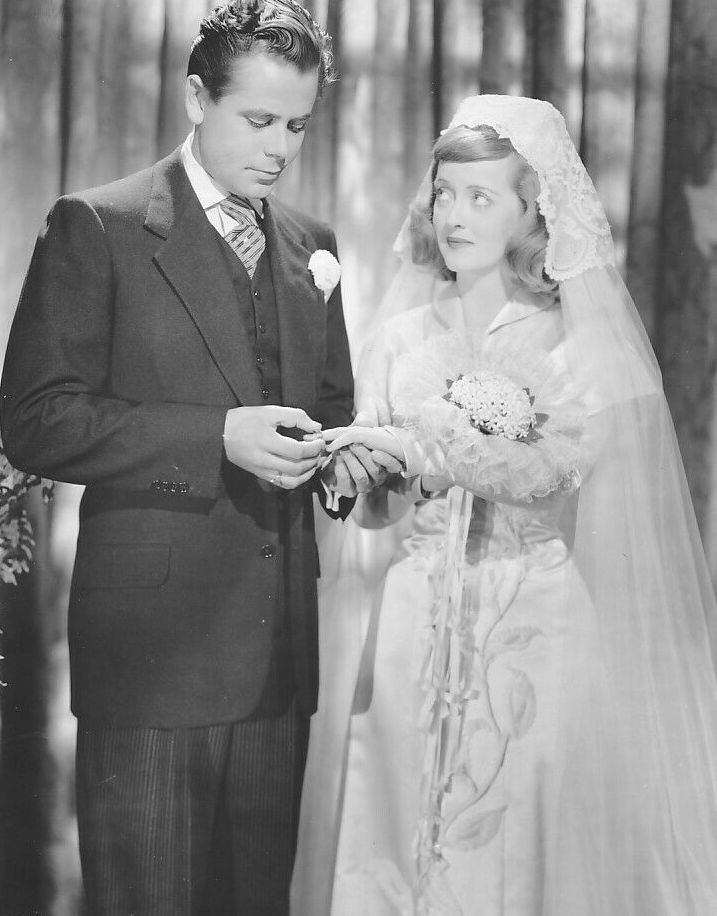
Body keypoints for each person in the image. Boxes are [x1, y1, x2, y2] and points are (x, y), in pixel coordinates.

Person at [291, 95, 717, 915]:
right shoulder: (402, 335)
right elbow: (379, 512)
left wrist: (451, 456)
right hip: (412, 621)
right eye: (444, 194)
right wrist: (359, 475)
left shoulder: (576, 342)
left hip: (536, 623)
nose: (453, 216)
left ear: (532, 213)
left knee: (519, 834)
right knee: (395, 816)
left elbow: (584, 492)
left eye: (481, 198)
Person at [0, 2, 369, 913]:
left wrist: (342, 463)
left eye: (297, 126)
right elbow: (35, 421)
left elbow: (329, 409)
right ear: (196, 97)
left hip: (279, 657)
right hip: (154, 660)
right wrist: (214, 437)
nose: (279, 148)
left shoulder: (313, 247)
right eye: (259, 119)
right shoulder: (97, 225)